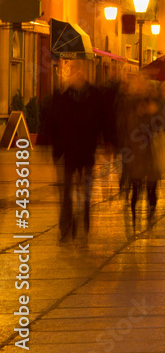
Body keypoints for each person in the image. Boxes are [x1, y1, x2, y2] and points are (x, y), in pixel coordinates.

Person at [48, 62, 104, 242]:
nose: (72, 76)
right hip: (70, 152)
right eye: (70, 73)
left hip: (86, 151)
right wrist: (56, 149)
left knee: (85, 189)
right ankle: (66, 227)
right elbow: (56, 124)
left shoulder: (93, 96)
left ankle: (84, 219)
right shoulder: (65, 97)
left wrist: (107, 141)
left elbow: (101, 120)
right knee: (67, 191)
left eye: (75, 73)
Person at [123, 78, 165, 227]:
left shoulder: (153, 108)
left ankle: (150, 209)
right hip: (137, 155)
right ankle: (135, 214)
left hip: (149, 155)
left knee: (151, 186)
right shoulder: (131, 110)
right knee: (136, 187)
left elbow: (161, 127)